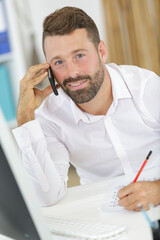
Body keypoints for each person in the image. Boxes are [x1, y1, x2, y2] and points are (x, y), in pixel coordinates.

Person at [12, 6, 160, 211]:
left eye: (79, 55)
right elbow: (46, 196)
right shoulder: (50, 117)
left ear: (101, 51)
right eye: (59, 62)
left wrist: (158, 189)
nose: (72, 72)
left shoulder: (145, 88)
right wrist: (25, 117)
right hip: (103, 217)